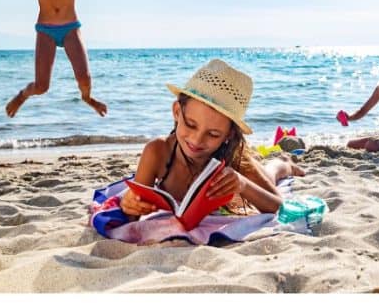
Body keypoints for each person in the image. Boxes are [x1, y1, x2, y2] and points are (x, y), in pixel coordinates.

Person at [120, 59, 305, 219]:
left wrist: (243, 184)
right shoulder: (157, 151)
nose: (197, 140)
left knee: (269, 176)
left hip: (241, 164)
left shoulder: (233, 158)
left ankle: (282, 163)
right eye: (191, 125)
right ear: (177, 112)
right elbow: (132, 212)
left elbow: (279, 206)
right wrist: (129, 204)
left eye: (213, 134)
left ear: (229, 134)